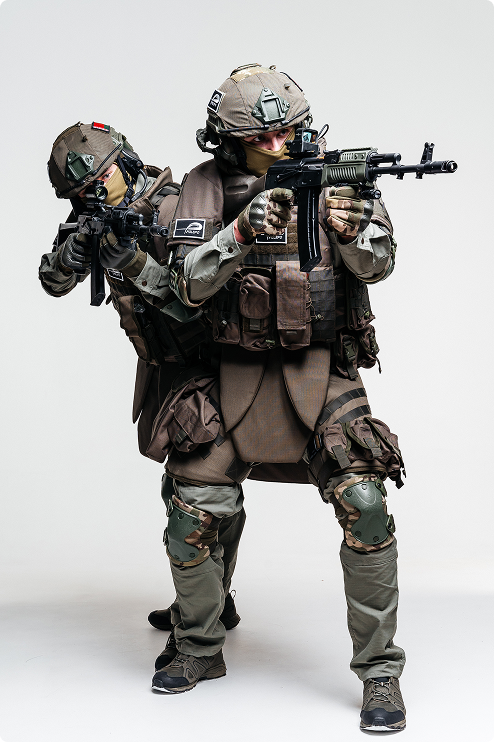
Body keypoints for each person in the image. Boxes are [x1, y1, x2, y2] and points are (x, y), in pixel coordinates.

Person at [101, 64, 407, 731]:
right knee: (192, 509)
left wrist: (353, 231)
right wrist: (238, 234)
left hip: (320, 375)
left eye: (288, 130)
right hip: (228, 375)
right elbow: (184, 287)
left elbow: (381, 264)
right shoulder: (200, 191)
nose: (279, 143)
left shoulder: (339, 179)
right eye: (261, 136)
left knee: (365, 503)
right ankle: (199, 644)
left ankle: (380, 671)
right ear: (227, 139)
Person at [39, 121, 246, 635]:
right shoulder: (91, 220)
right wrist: (69, 257)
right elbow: (51, 281)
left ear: (126, 162)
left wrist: (133, 263)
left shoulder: (177, 210)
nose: (92, 195)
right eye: (80, 192)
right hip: (162, 370)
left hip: (210, 366)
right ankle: (211, 600)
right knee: (188, 492)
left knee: (200, 496)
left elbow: (195, 301)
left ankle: (204, 618)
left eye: (100, 180)